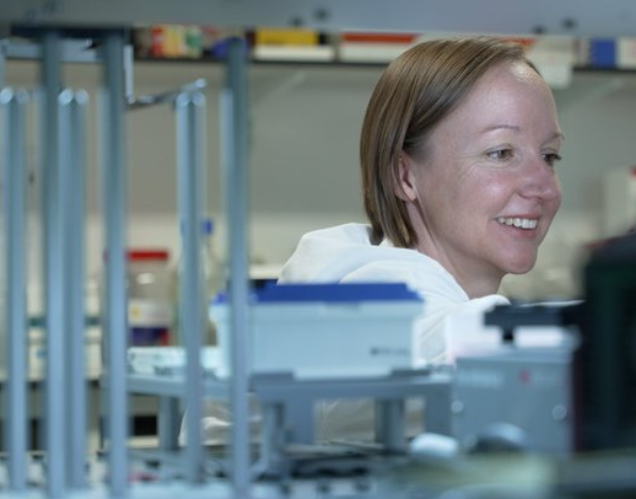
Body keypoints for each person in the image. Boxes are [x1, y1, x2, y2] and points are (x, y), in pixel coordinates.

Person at [195, 36, 563, 445]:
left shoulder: (361, 267)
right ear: (404, 176)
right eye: (500, 153)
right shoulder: (370, 294)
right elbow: (471, 349)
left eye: (549, 156)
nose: (542, 186)